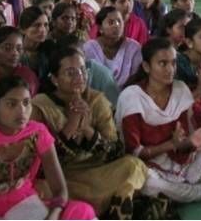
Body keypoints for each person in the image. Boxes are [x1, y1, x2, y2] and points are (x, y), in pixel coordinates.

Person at [0, 75, 96, 219]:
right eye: (11, 104)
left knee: (82, 211)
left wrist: (52, 216)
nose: (21, 111)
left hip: (20, 201)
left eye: (26, 103)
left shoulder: (37, 133)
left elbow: (60, 191)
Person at [31, 46, 148, 217]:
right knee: (42, 188)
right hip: (63, 178)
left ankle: (101, 207)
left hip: (99, 173)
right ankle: (113, 204)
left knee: (134, 165)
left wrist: (87, 130)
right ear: (55, 79)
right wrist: (70, 127)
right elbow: (38, 164)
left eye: (82, 70)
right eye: (71, 72)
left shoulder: (96, 100)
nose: (79, 77)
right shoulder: (40, 106)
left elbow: (116, 152)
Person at [115, 38, 201, 203]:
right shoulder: (132, 97)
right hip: (149, 165)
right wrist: (170, 145)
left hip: (180, 161)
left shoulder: (180, 89)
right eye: (163, 64)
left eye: (173, 63)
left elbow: (183, 144)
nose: (170, 69)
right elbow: (135, 152)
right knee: (149, 184)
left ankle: (178, 191)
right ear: (146, 67)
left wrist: (191, 142)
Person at [84, 6, 143, 88]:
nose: (116, 25)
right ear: (100, 28)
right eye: (111, 22)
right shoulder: (89, 48)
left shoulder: (134, 48)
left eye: (119, 21)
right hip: (97, 96)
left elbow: (137, 79)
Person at [19, 6, 52, 79]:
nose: (42, 30)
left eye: (46, 25)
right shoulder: (15, 53)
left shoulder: (49, 50)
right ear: (23, 29)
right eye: (36, 25)